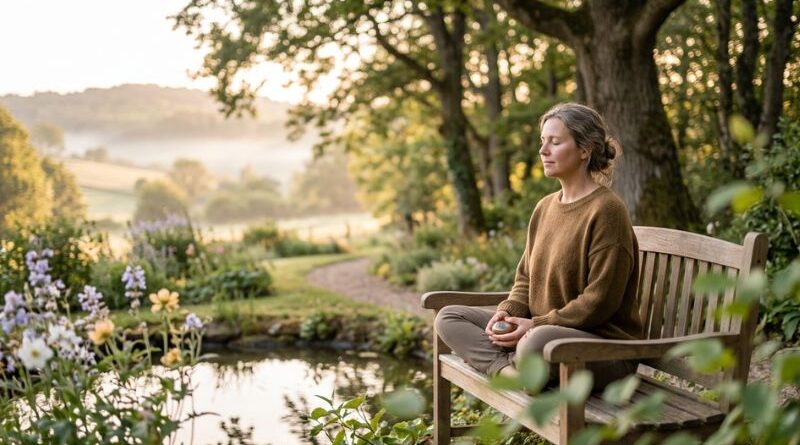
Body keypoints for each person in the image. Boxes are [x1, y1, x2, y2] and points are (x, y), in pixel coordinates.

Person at [434, 102, 643, 389]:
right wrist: (509, 312)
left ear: (585, 150)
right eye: (542, 142)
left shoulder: (606, 210)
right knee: (450, 316)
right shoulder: (545, 207)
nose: (543, 151)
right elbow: (525, 278)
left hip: (601, 348)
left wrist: (536, 325)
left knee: (537, 343)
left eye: (555, 142)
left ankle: (521, 366)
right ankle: (509, 371)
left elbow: (599, 301)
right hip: (542, 333)